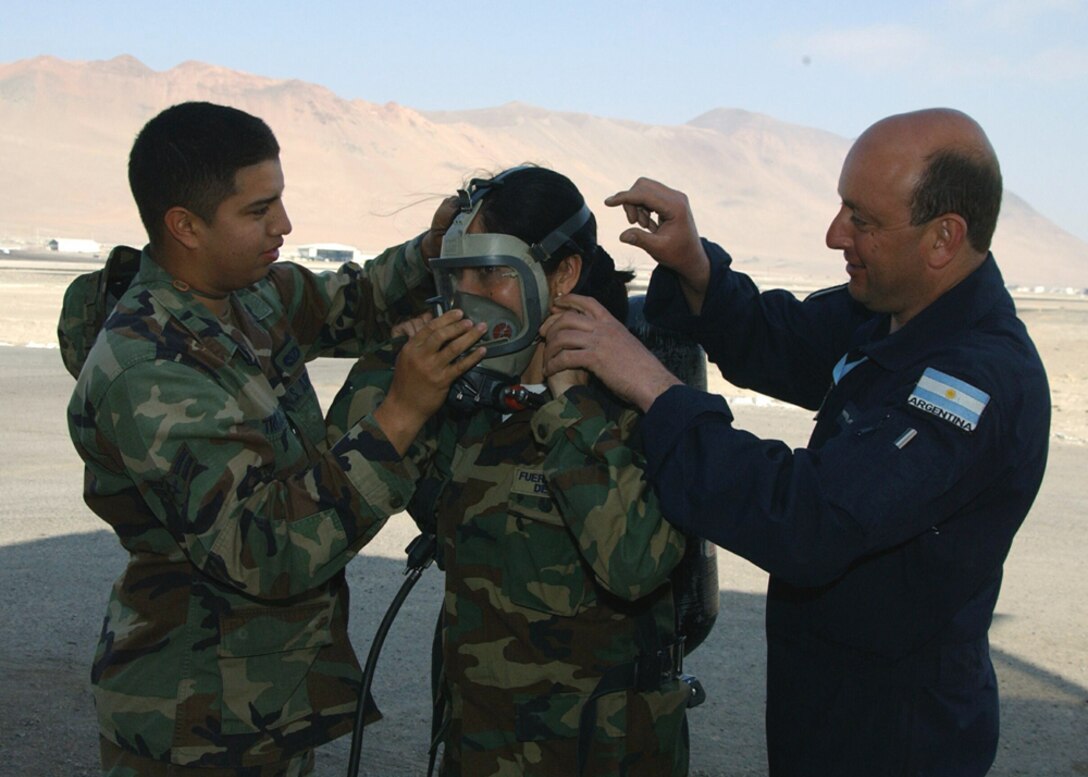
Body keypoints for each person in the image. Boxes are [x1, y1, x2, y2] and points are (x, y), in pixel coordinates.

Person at [541, 109, 1051, 776]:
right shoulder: (896, 311)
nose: (835, 234)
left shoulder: (973, 383)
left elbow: (807, 518)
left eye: (862, 220)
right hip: (829, 706)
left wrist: (654, 388)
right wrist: (695, 267)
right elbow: (782, 338)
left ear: (942, 238)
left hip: (896, 738)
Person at [61, 101, 486, 776]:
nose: (284, 224)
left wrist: (429, 252)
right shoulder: (150, 371)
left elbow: (356, 303)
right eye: (259, 210)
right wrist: (400, 414)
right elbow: (265, 548)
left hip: (256, 698)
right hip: (194, 719)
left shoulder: (243, 294)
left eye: (280, 200)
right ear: (186, 226)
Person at [326, 166, 693, 777]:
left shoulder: (636, 405)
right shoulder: (475, 403)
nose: (466, 296)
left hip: (595, 757)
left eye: (489, 273)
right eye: (455, 276)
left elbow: (635, 563)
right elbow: (347, 483)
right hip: (477, 748)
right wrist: (397, 371)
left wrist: (567, 404)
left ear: (562, 274)